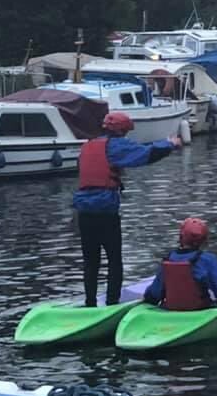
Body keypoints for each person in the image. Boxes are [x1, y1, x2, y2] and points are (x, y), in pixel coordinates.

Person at [72, 111, 181, 306]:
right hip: (105, 211)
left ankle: (89, 302)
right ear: (121, 131)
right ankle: (112, 301)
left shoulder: (87, 146)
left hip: (83, 212)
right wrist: (170, 144)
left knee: (91, 261)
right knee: (114, 258)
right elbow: (146, 154)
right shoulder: (116, 145)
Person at [143, 217, 217, 315]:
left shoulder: (168, 260)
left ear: (181, 237)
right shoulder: (206, 260)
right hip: (200, 311)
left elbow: (153, 294)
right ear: (203, 240)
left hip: (171, 310)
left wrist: (146, 301)